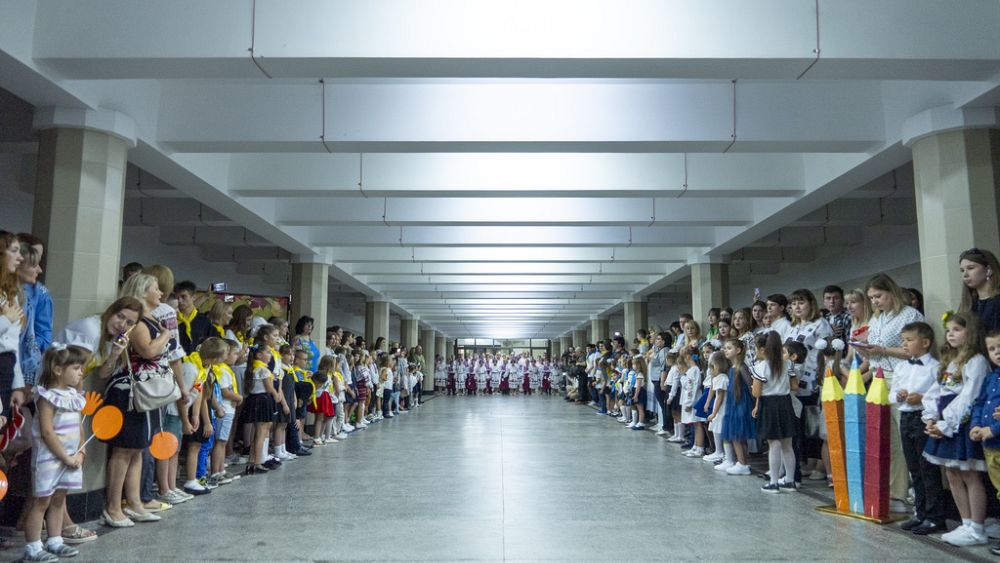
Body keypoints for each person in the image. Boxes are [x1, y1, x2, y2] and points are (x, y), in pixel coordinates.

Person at [90, 294, 159, 527]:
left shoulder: (130, 332)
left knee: (137, 449)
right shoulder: (100, 331)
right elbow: (103, 372)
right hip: (123, 394)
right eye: (121, 317)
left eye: (130, 322)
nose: (124, 325)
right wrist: (168, 334)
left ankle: (134, 502)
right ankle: (113, 506)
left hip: (138, 394)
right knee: (123, 450)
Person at [923, 312, 990, 547]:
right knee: (952, 474)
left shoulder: (977, 361)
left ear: (970, 333)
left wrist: (946, 424)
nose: (950, 333)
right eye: (948, 330)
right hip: (943, 422)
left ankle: (978, 527)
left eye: (957, 329)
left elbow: (969, 397)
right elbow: (936, 391)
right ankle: (966, 522)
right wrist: (930, 418)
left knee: (969, 475)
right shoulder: (951, 360)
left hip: (961, 424)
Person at [859, 273, 924, 511]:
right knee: (889, 438)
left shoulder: (909, 315)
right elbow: (875, 351)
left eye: (879, 296)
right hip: (877, 378)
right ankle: (897, 489)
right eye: (871, 298)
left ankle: (916, 490)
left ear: (891, 292)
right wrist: (865, 350)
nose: (875, 301)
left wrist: (883, 349)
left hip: (901, 378)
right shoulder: (877, 319)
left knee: (906, 435)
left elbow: (914, 351)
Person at [23, 345, 88, 562]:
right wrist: (64, 456)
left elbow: (80, 427)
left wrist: (81, 452)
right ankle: (33, 547)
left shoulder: (74, 395)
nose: (81, 373)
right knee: (41, 501)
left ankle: (55, 540)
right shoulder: (47, 397)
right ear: (58, 370)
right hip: (50, 459)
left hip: (71, 458)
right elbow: (47, 431)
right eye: (77, 368)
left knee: (59, 499)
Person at [889, 322, 944, 536]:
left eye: (909, 340)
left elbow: (940, 395)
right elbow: (890, 395)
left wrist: (922, 398)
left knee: (927, 469)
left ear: (925, 342)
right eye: (903, 340)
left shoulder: (935, 367)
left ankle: (935, 517)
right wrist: (899, 396)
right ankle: (920, 513)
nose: (904, 344)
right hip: (906, 418)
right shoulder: (901, 366)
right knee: (914, 469)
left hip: (924, 418)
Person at [751, 332, 798, 493]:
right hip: (785, 403)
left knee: (774, 444)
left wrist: (755, 388)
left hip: (769, 404)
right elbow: (794, 386)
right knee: (787, 444)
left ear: (764, 349)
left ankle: (774, 482)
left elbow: (756, 393)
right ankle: (790, 481)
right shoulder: (788, 364)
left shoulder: (760, 367)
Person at [971, 328, 1000, 555]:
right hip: (990, 447)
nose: (997, 352)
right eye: (992, 348)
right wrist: (977, 426)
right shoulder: (992, 376)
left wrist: (995, 429)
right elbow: (980, 403)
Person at [718, 337, 755, 475]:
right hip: (733, 403)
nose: (725, 351)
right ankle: (741, 461)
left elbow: (751, 385)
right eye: (725, 348)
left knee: (737, 434)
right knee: (736, 434)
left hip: (741, 403)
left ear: (738, 350)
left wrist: (755, 403)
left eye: (729, 348)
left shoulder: (741, 367)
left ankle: (743, 463)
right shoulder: (732, 368)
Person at [0, 231, 26, 420]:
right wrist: (5, 320)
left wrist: (17, 384)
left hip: (6, 366)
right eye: (14, 251)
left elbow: (12, 343)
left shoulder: (10, 293)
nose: (20, 258)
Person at [18, 239, 51, 386]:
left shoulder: (40, 293)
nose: (40, 269)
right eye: (33, 262)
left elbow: (43, 333)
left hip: (22, 366)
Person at [959, 248, 1000, 333]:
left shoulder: (997, 301)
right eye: (962, 270)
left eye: (970, 268)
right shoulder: (968, 304)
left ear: (988, 270)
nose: (965, 274)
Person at [704, 351, 730, 464]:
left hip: (722, 409)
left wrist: (714, 413)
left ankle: (721, 452)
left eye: (712, 367)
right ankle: (718, 451)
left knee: (719, 429)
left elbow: (719, 396)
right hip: (718, 408)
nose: (710, 370)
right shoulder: (718, 377)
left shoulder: (722, 378)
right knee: (715, 429)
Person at [173, 280, 211, 354]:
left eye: (183, 297)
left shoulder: (204, 320)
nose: (179, 300)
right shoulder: (172, 320)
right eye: (177, 297)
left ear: (193, 297)